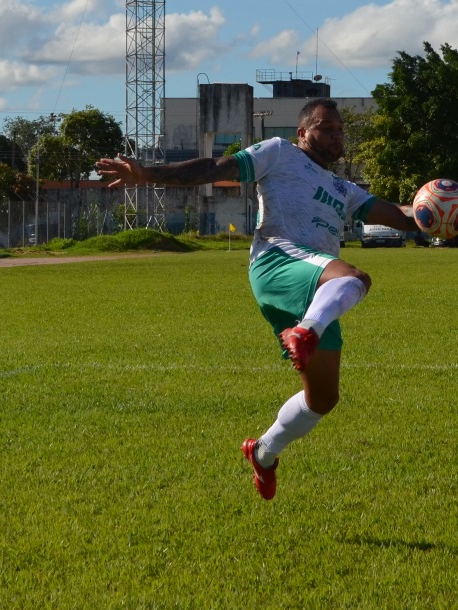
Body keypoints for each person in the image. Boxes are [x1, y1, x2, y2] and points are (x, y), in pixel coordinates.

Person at [96, 98, 419, 501]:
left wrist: (435, 208)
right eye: (326, 127)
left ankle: (264, 453)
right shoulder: (279, 153)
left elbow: (402, 217)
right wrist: (147, 173)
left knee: (322, 399)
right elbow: (215, 168)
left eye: (340, 130)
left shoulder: (345, 189)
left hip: (317, 288)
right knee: (356, 277)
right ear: (302, 133)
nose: (336, 135)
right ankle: (305, 332)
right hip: (278, 262)